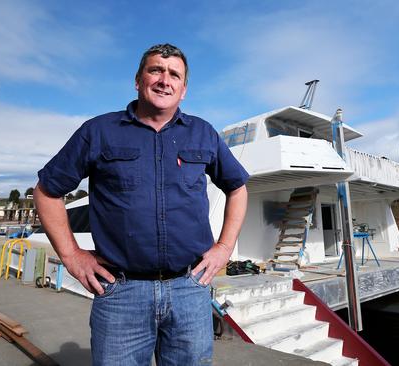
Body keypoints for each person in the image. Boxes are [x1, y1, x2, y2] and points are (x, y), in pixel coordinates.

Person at [33, 43, 249, 365]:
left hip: (189, 289)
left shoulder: (203, 133)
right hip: (121, 293)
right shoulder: (99, 132)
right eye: (155, 71)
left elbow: (238, 187)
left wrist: (224, 248)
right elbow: (47, 191)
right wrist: (71, 256)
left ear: (183, 89)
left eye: (174, 74)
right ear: (138, 80)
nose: (165, 80)